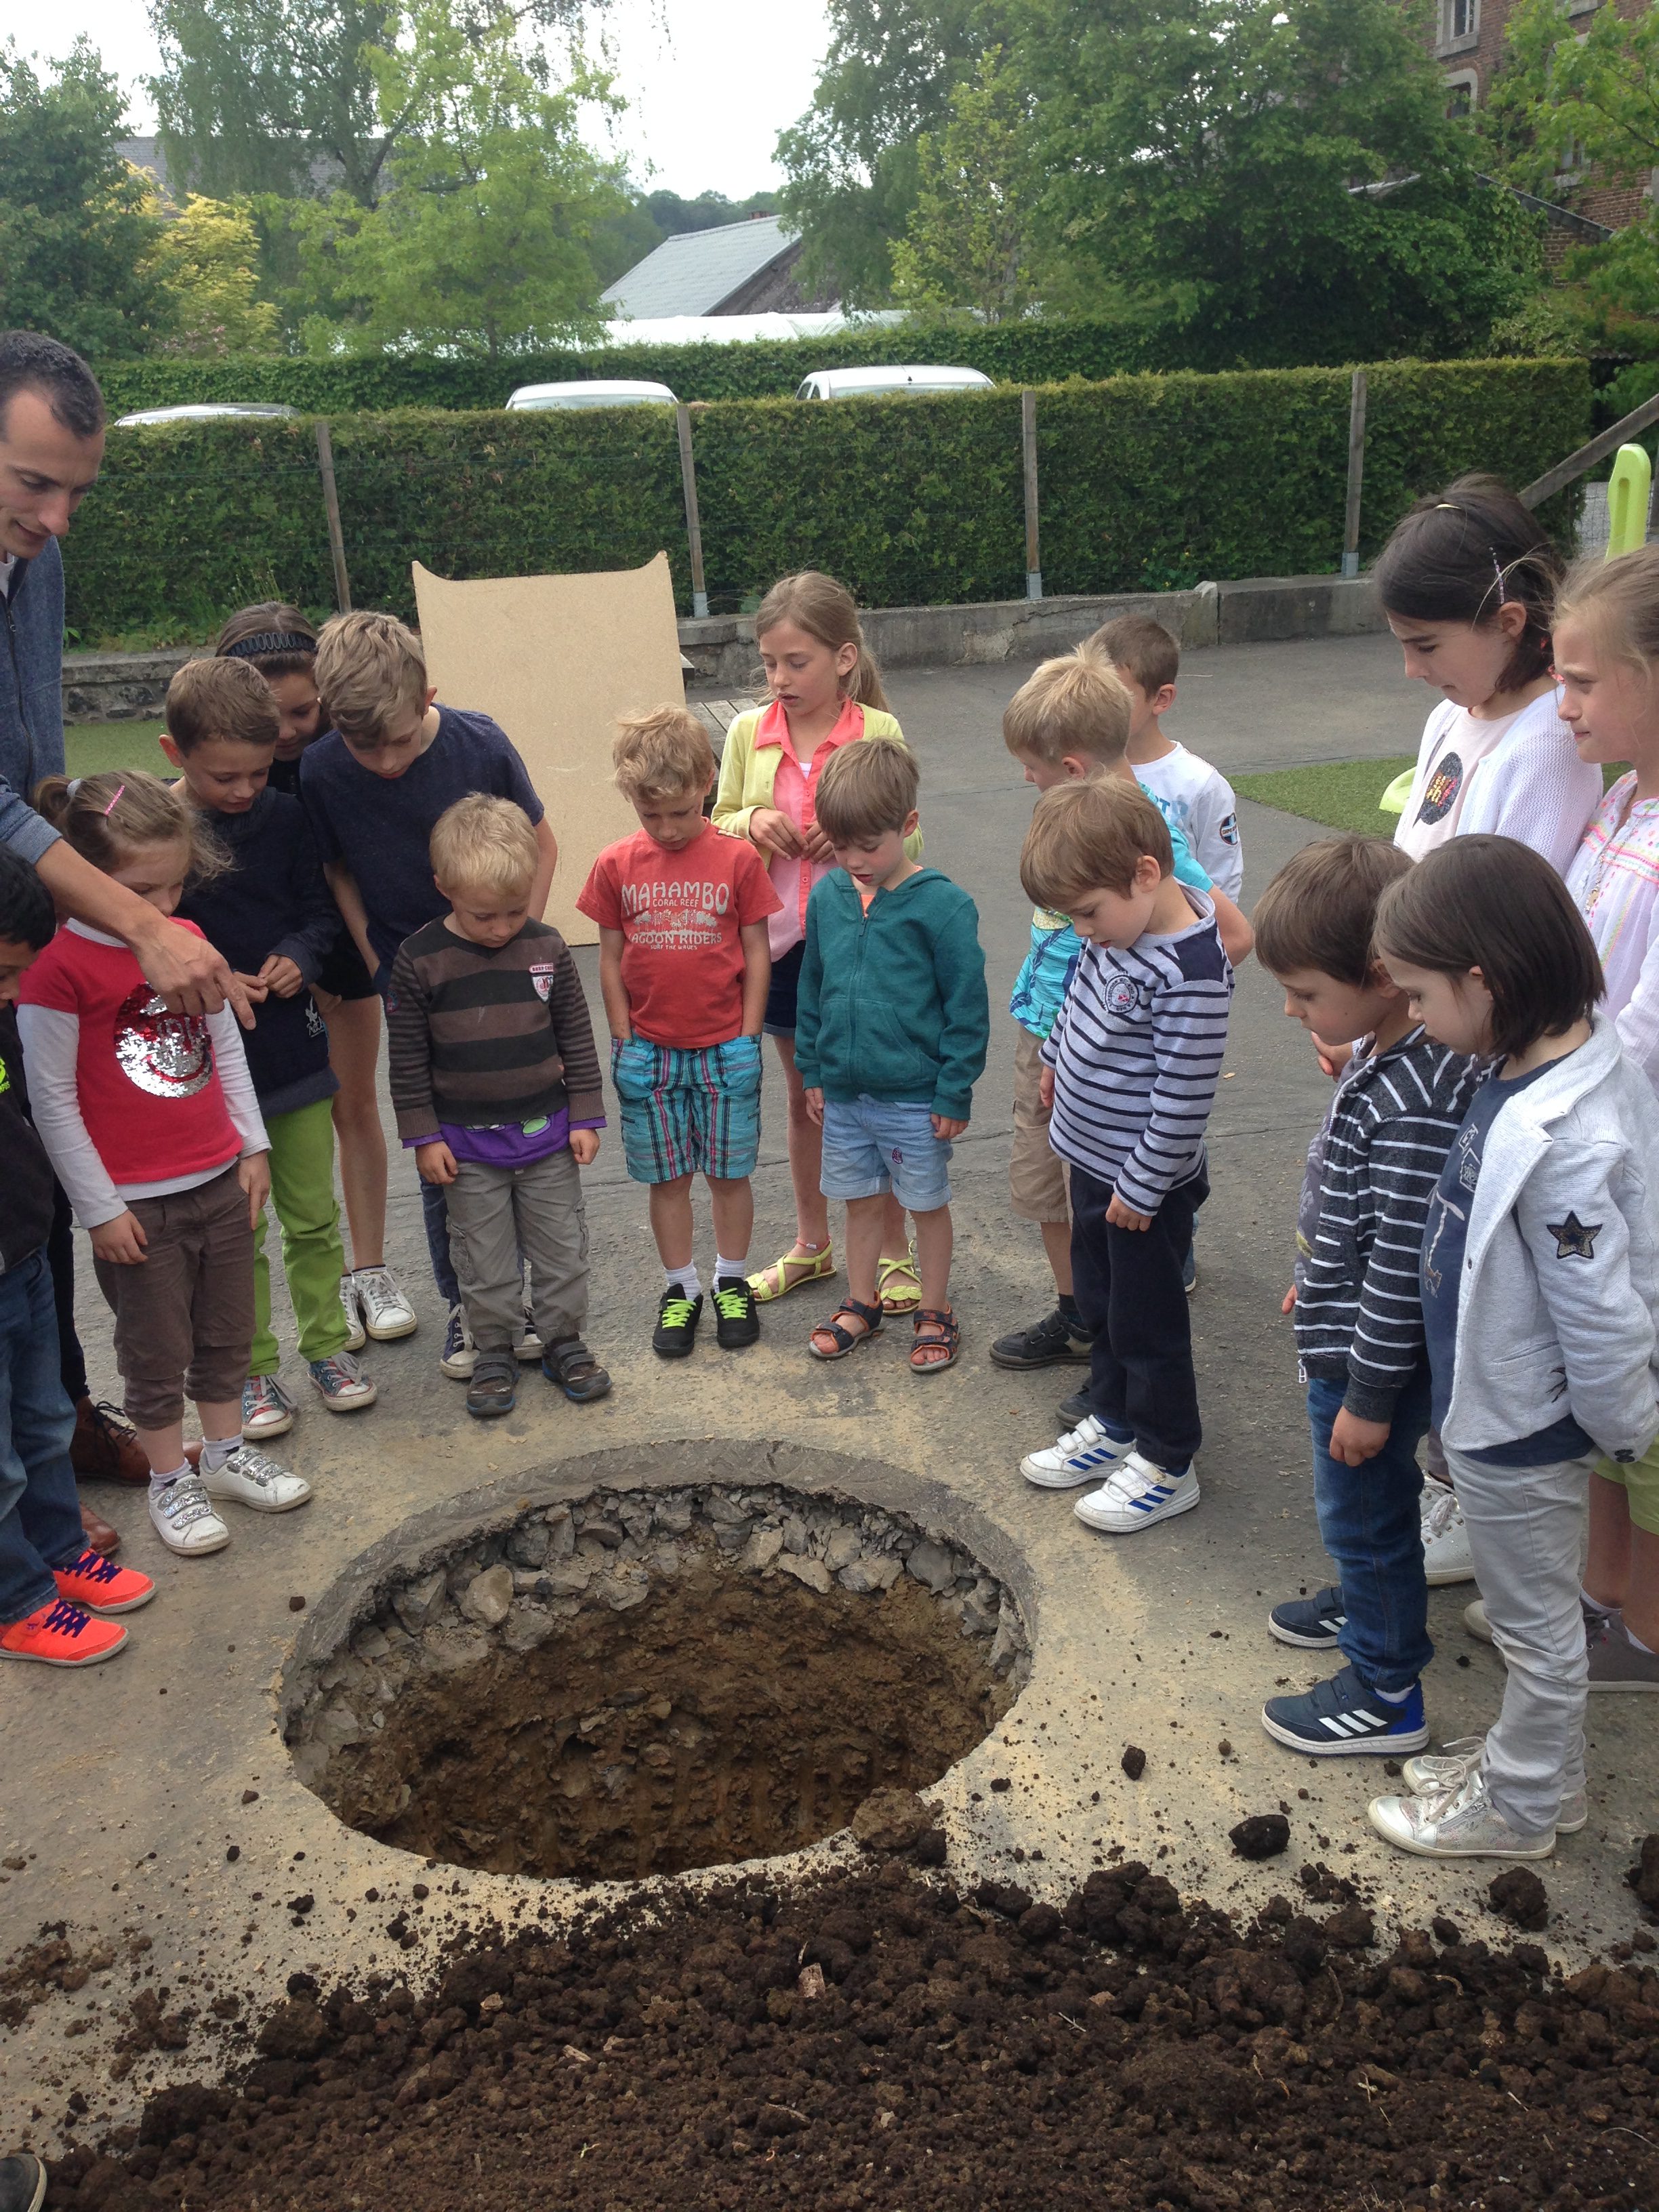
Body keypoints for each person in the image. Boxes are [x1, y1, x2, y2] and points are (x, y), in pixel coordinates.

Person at [1367, 836, 1659, 1859]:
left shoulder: (1568, 1140)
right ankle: (1543, 1775)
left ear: (1483, 980)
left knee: (1536, 1632)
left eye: (1420, 995)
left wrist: (1625, 1426)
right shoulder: (1529, 1063)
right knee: (1532, 1621)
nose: (1414, 1016)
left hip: (1523, 1428)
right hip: (1497, 1403)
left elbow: (1602, 1310)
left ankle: (1522, 1807)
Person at [0, 331, 243, 1531]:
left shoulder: (31, 557)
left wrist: (59, 896)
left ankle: (58, 1440)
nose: (56, 520)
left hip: (21, 915)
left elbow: (32, 754)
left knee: (29, 1210)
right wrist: (137, 920)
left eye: (77, 493)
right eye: (32, 484)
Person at [16, 773, 312, 1559]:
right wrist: (99, 1208)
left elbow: (226, 1045)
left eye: (176, 885)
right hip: (136, 1207)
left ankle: (222, 1454)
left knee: (226, 1334)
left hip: (219, 1180)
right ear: (81, 878)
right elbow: (52, 1100)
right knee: (154, 1352)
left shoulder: (186, 941)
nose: (164, 904)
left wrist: (253, 1145)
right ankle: (167, 1480)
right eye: (142, 890)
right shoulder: (55, 970)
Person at [1251, 836, 1479, 1757]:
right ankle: (1366, 1597)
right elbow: (1361, 1209)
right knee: (1367, 1511)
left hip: (1367, 1360)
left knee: (1365, 1510)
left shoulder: (1416, 1094)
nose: (1292, 1009)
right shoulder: (1393, 1051)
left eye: (1307, 993)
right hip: (1350, 1327)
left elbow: (1402, 1262)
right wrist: (1317, 1275)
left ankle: (1386, 1691)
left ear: (1382, 976)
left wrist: (1370, 1398)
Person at [299, 610, 557, 1377]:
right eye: (364, 745)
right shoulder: (321, 770)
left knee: (526, 1143)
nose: (384, 762)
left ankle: (527, 1299)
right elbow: (338, 870)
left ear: (427, 697)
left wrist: (519, 945)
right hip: (415, 990)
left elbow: (540, 842)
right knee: (445, 1158)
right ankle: (469, 1307)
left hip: (499, 980)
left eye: (401, 740)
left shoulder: (480, 744)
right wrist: (378, 959)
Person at [992, 653, 1251, 1393]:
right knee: (1055, 1189)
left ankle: (1117, 1350)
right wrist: (1063, 1044)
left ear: (1072, 768)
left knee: (1123, 1231)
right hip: (1059, 1034)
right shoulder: (1073, 836)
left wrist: (1147, 999)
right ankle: (1079, 1315)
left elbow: (1230, 937)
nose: (1026, 779)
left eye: (1032, 768)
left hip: (1116, 1060)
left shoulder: (1141, 843)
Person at [164, 656, 375, 1437]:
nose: (245, 790)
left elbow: (319, 913)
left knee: (312, 1216)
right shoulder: (157, 829)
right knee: (234, 1234)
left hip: (293, 1054)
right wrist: (208, 974)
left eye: (258, 772)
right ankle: (251, 1370)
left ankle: (327, 1348)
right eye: (225, 776)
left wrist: (299, 955)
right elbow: (146, 933)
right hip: (209, 1071)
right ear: (173, 753)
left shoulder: (285, 818)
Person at [1018, 777, 1232, 1531]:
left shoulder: (1190, 972)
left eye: (1088, 912)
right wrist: (1054, 1054)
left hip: (1143, 1189)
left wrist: (1142, 1188)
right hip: (1091, 1163)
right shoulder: (1116, 937)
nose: (1083, 932)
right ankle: (1114, 1423)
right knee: (1102, 1304)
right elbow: (1078, 997)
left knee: (1147, 1323)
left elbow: (1183, 1098)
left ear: (1145, 873)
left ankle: (1168, 1459)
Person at [712, 573, 920, 1315]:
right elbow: (716, 824)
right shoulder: (747, 732)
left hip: (863, 943)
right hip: (779, 947)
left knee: (873, 1098)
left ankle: (893, 1251)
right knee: (807, 1098)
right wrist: (750, 824)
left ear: (843, 658)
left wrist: (854, 833)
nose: (779, 678)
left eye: (796, 662)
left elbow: (911, 838)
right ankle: (812, 1243)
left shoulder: (878, 731)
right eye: (769, 662)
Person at [216, 602, 413, 1351]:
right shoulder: (226, 771)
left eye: (303, 711)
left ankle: (369, 1270)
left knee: (354, 1103)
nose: (288, 731)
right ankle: (315, 1288)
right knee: (272, 1125)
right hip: (261, 964)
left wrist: (338, 961)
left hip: (343, 944)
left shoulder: (347, 752)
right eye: (271, 718)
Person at [388, 796, 609, 1420]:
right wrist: (424, 1136)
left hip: (549, 1138)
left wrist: (586, 1115)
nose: (500, 928)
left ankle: (563, 1340)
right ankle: (493, 1349)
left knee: (562, 1250)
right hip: (466, 1148)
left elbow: (576, 1036)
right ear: (444, 887)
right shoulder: (420, 960)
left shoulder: (547, 948)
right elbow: (406, 1061)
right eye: (484, 915)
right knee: (482, 1259)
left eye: (515, 911)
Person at [577, 707, 779, 1357]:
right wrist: (623, 1039)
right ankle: (681, 1288)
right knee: (666, 1179)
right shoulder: (615, 865)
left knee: (728, 1173)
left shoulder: (738, 860)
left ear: (707, 784)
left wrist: (748, 1037)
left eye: (681, 813)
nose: (666, 829)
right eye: (650, 815)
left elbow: (757, 952)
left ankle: (731, 1280)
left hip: (725, 1047)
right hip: (650, 1052)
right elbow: (610, 959)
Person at [0, 847, 155, 1667]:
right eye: (4, 973)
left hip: (23, 1253)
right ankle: (19, 1604)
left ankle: (61, 1553)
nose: (13, 992)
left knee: (46, 1420)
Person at [794, 739, 989, 1372]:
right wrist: (813, 1070)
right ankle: (862, 1302)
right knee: (858, 1201)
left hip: (914, 1097)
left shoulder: (944, 907)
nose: (854, 860)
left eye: (869, 846)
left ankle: (935, 1307)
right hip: (846, 1096)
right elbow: (812, 989)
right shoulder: (828, 897)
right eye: (840, 845)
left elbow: (967, 1009)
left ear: (908, 825)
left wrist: (954, 1090)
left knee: (926, 1203)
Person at [1553, 544, 1659, 1693]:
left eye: (1584, 681)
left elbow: (1641, 1031)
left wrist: (1553, 1089)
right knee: (1600, 1395)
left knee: (1650, 1415)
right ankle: (1597, 1592)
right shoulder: (1621, 800)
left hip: (1636, 1161)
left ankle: (1647, 1629)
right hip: (1591, 1147)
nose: (1564, 704)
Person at [1378, 474, 1599, 871]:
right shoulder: (1447, 716)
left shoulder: (1550, 747)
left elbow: (1513, 902)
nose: (1411, 670)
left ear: (1508, 623)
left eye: (1426, 646)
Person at [1090, 613, 1242, 898]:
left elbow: (1223, 881)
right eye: (1092, 692)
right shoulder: (1085, 769)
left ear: (1161, 699)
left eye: (1115, 696)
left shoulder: (1201, 785)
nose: (1098, 708)